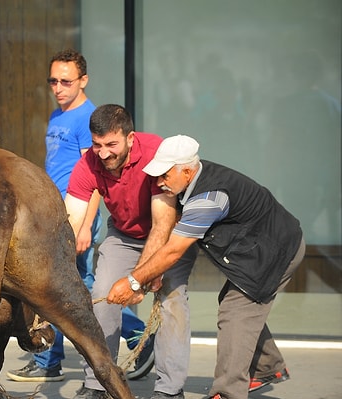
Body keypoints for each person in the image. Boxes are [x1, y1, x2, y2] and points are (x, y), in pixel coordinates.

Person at [107, 135, 305, 399]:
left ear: (187, 171)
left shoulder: (208, 198)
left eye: (164, 175)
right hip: (259, 247)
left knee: (236, 312)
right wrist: (153, 272)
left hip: (276, 251)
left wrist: (132, 281)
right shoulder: (190, 180)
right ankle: (267, 366)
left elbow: (175, 249)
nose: (158, 182)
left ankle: (227, 392)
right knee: (236, 304)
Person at [7, 50, 154, 383]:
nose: (58, 87)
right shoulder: (58, 115)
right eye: (53, 81)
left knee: (80, 289)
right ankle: (49, 360)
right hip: (56, 214)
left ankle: (142, 340)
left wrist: (85, 226)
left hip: (78, 217)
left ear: (83, 81)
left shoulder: (89, 118)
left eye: (66, 81)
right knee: (62, 286)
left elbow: (99, 176)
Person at [65, 105, 198, 399]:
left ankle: (169, 390)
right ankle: (98, 382)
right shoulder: (88, 163)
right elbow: (71, 222)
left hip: (169, 235)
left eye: (111, 144)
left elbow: (163, 224)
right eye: (97, 145)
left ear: (130, 138)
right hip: (123, 235)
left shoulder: (154, 152)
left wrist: (141, 278)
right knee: (101, 297)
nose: (103, 153)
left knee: (172, 303)